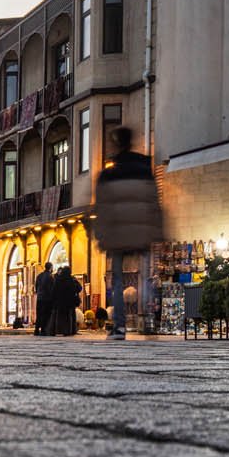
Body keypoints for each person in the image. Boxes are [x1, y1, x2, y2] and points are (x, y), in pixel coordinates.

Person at [93, 126, 163, 340]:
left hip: (118, 234)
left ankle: (120, 326)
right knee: (145, 277)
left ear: (116, 143)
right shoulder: (144, 169)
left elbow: (103, 208)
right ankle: (149, 317)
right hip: (141, 231)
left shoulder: (109, 174)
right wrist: (157, 229)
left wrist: (101, 234)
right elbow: (153, 201)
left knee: (116, 279)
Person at [51, 265, 82, 336]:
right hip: (70, 301)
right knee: (70, 316)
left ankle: (59, 330)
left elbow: (54, 290)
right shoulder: (72, 279)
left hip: (60, 301)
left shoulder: (58, 279)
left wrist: (54, 299)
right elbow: (79, 288)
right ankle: (69, 330)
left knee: (60, 316)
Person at [33, 262, 54, 336]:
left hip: (39, 298)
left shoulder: (39, 276)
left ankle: (36, 330)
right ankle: (43, 330)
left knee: (39, 314)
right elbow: (51, 289)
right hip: (47, 299)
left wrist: (39, 293)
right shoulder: (50, 277)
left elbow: (36, 287)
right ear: (51, 268)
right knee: (46, 315)